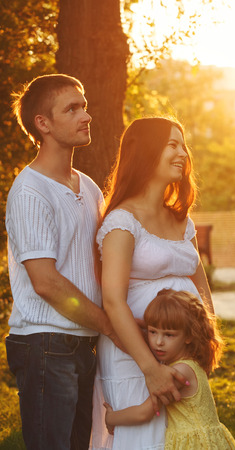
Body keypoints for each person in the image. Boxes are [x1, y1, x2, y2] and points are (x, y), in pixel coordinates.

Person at [5, 74, 121, 450]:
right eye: (72, 108)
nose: (85, 115)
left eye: (84, 105)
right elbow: (46, 282)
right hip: (46, 344)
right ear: (44, 124)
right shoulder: (30, 191)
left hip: (83, 342)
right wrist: (108, 323)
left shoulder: (86, 186)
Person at [90, 117, 214, 449]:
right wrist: (150, 368)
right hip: (136, 356)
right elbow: (113, 301)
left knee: (184, 436)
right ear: (146, 153)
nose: (182, 154)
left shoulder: (180, 218)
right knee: (144, 439)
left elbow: (200, 282)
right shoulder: (122, 221)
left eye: (183, 145)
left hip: (183, 351)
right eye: (171, 145)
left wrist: (206, 342)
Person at [103, 288, 235, 449]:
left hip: (195, 444)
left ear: (189, 336)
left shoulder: (179, 373)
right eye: (153, 332)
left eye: (169, 335)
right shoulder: (191, 362)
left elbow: (144, 413)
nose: (158, 342)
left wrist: (111, 418)